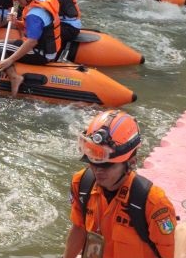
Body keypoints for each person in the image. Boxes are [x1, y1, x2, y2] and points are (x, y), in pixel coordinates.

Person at [64, 110, 178, 258]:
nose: (98, 171)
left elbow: (169, 254)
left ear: (131, 163)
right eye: (92, 163)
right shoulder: (81, 184)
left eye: (107, 166)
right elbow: (78, 228)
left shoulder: (154, 204)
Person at [0, 0, 60, 96]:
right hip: (48, 50)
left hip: (40, 53)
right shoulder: (42, 0)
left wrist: (9, 60)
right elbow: (35, 29)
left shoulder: (34, 14)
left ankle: (14, 77)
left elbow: (32, 41)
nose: (16, 1)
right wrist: (16, 23)